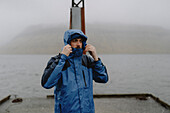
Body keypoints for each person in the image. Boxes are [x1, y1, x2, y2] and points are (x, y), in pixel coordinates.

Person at [41, 29, 108, 113]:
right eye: (75, 41)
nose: (78, 44)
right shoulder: (58, 60)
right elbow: (47, 83)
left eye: (80, 41)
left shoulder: (87, 60)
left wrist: (96, 58)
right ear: (68, 43)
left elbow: (103, 78)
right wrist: (63, 58)